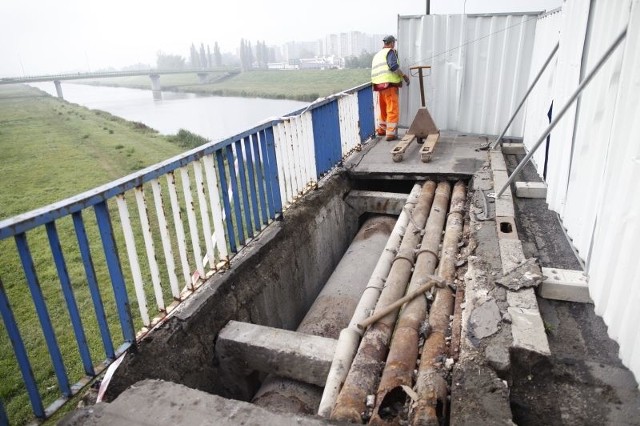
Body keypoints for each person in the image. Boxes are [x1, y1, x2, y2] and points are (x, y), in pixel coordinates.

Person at [371, 35, 410, 141]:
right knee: (392, 108)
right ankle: (390, 133)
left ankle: (382, 130)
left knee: (383, 109)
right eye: (394, 43)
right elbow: (393, 66)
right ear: (392, 43)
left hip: (379, 85)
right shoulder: (390, 52)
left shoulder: (378, 54)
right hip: (389, 84)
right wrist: (404, 76)